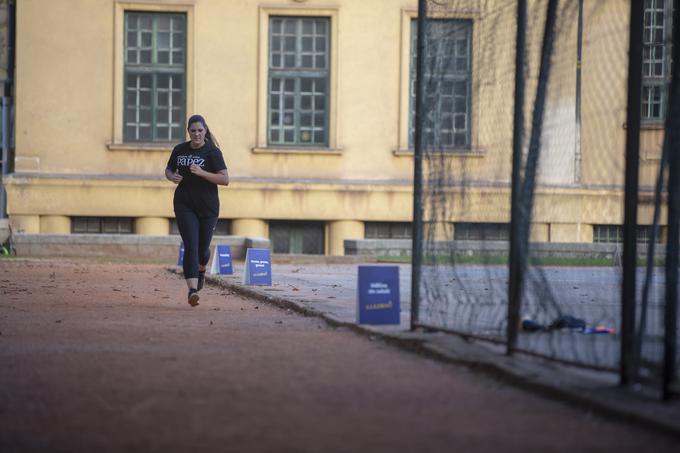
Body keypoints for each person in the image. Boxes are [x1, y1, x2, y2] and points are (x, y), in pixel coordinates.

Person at [166, 115, 229, 306]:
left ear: (205, 131)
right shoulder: (180, 149)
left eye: (200, 130)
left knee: (202, 250)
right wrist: (172, 177)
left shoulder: (212, 152)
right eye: (193, 130)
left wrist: (202, 173)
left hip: (208, 207)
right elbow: (168, 169)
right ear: (188, 131)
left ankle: (201, 268)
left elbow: (225, 179)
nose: (196, 134)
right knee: (191, 246)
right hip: (184, 204)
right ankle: (192, 290)